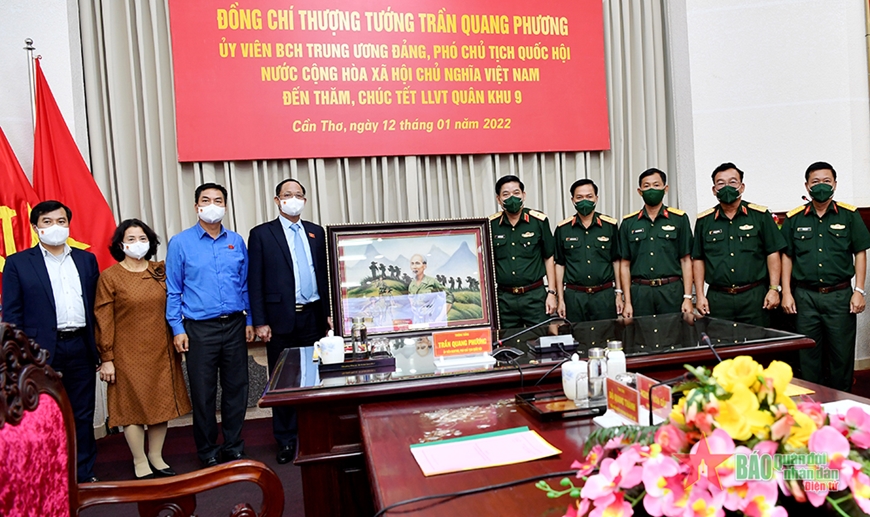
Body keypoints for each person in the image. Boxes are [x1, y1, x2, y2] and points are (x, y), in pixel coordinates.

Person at [1, 200, 100, 482]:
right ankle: (51, 473)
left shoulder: (86, 260)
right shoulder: (18, 263)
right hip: (39, 351)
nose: (55, 226)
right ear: (35, 227)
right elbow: (12, 315)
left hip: (81, 345)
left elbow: (96, 306)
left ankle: (83, 473)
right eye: (47, 221)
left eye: (60, 221)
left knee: (82, 413)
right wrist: (21, 358)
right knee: (43, 415)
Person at [94, 219, 192, 479]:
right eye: (131, 239)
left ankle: (156, 456)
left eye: (142, 238)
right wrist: (107, 357)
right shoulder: (110, 277)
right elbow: (103, 319)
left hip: (161, 350)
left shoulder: (160, 270)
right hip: (126, 354)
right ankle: (139, 460)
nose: (137, 243)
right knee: (132, 407)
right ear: (120, 244)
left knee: (161, 404)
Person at [166, 183, 255, 467]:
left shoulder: (236, 241)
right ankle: (207, 450)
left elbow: (245, 284)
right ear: (196, 206)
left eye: (218, 200)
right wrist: (177, 328)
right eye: (206, 200)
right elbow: (173, 290)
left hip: (235, 325)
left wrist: (249, 320)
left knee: (236, 389)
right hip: (199, 329)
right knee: (203, 392)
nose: (212, 205)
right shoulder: (180, 243)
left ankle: (233, 445)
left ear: (225, 207)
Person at [247, 179, 330, 464]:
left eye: (298, 195)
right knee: (282, 381)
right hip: (280, 319)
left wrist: (329, 312)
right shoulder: (261, 234)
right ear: (277, 200)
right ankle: (285, 438)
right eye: (287, 195)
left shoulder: (316, 232)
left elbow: (325, 276)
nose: (293, 199)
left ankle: (314, 434)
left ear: (304, 200)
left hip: (314, 317)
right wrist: (260, 321)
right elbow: (255, 281)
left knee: (316, 378)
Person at [781, 162, 870, 391]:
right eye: (816, 182)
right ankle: (813, 405)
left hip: (839, 296)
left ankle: (843, 402)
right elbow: (787, 257)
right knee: (808, 356)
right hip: (805, 297)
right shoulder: (794, 218)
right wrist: (786, 293)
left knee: (841, 356)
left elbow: (860, 253)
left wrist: (859, 291)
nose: (821, 186)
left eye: (826, 181)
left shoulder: (849, 216)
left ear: (835, 185)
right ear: (807, 186)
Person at [692, 163, 786, 327]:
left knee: (758, 340)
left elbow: (772, 253)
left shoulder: (760, 216)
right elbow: (698, 259)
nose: (727, 187)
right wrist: (700, 295)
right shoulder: (704, 221)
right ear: (714, 190)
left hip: (755, 296)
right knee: (721, 342)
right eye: (721, 183)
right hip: (719, 298)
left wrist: (774, 289)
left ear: (742, 187)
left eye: (732, 182)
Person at [618, 168, 694, 318]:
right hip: (640, 292)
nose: (651, 189)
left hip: (671, 291)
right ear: (639, 191)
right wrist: (627, 301)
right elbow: (624, 264)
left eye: (656, 185)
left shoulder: (679, 219)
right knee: (641, 332)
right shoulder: (629, 223)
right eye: (646, 186)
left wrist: (688, 297)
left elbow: (686, 260)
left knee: (674, 331)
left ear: (665, 189)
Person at [489, 175, 557, 328]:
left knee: (540, 339)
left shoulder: (539, 221)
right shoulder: (491, 225)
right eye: (506, 194)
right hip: (504, 299)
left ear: (523, 195)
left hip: (535, 296)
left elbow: (549, 257)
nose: (512, 198)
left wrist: (552, 293)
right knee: (508, 341)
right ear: (498, 199)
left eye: (516, 193)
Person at [554, 179, 623, 322]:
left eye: (589, 196)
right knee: (576, 335)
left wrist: (618, 294)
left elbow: (616, 261)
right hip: (574, 296)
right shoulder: (563, 229)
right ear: (573, 200)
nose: (584, 201)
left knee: (607, 333)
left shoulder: (610, 226)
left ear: (596, 198)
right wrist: (560, 299)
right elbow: (559, 265)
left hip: (604, 295)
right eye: (579, 197)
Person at [407, 253, 454, 323]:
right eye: (412, 264)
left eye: (417, 263)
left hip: (431, 320)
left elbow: (449, 296)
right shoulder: (412, 285)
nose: (414, 267)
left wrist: (440, 317)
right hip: (416, 322)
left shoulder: (432, 282)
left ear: (424, 266)